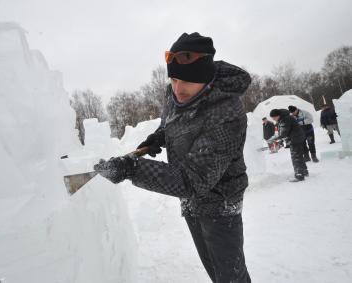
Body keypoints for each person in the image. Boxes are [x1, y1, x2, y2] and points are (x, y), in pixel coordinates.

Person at [94, 32, 251, 283]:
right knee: (212, 267)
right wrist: (158, 138)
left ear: (206, 77)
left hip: (220, 204)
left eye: (186, 81)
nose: (178, 89)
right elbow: (171, 123)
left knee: (229, 276)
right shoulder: (174, 93)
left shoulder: (227, 113)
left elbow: (193, 181)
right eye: (174, 78)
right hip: (191, 202)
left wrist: (131, 169)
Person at [269, 109, 309, 181]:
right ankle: (304, 171)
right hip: (297, 138)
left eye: (274, 118)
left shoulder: (285, 119)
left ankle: (299, 175)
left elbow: (283, 133)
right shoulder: (284, 118)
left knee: (296, 157)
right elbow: (284, 132)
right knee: (299, 155)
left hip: (295, 139)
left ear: (278, 115)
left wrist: (274, 139)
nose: (273, 119)